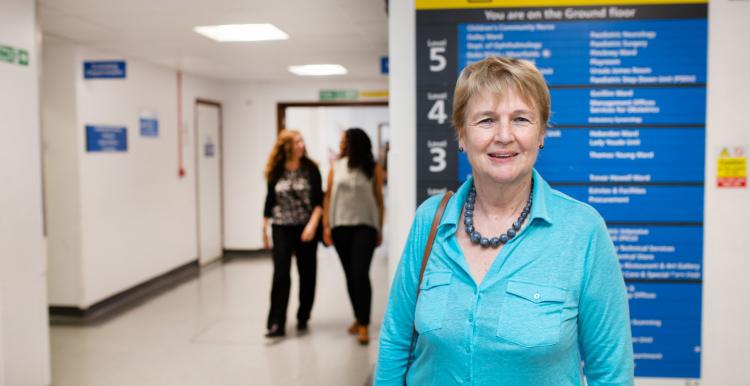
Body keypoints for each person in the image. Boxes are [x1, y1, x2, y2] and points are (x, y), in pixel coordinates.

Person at [375, 57, 633, 385]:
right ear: (461, 135)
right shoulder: (430, 220)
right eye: (486, 120)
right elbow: (396, 340)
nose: (504, 135)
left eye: (521, 119)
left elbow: (611, 370)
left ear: (541, 133)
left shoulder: (582, 231)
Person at [323, 128, 385, 345]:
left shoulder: (372, 168)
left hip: (365, 227)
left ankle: (364, 324)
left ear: (354, 143)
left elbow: (378, 199)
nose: (340, 144)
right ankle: (358, 317)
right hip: (340, 226)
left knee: (360, 273)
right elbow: (329, 196)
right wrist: (326, 226)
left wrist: (379, 228)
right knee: (350, 275)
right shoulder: (336, 166)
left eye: (344, 141)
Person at [262, 130, 323, 338]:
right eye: (297, 141)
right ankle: (276, 322)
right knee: (280, 274)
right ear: (287, 146)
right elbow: (269, 200)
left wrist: (312, 226)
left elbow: (318, 202)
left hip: (306, 227)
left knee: (307, 274)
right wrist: (264, 228)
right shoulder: (276, 170)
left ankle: (303, 314)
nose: (301, 144)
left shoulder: (311, 168)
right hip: (281, 227)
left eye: (302, 141)